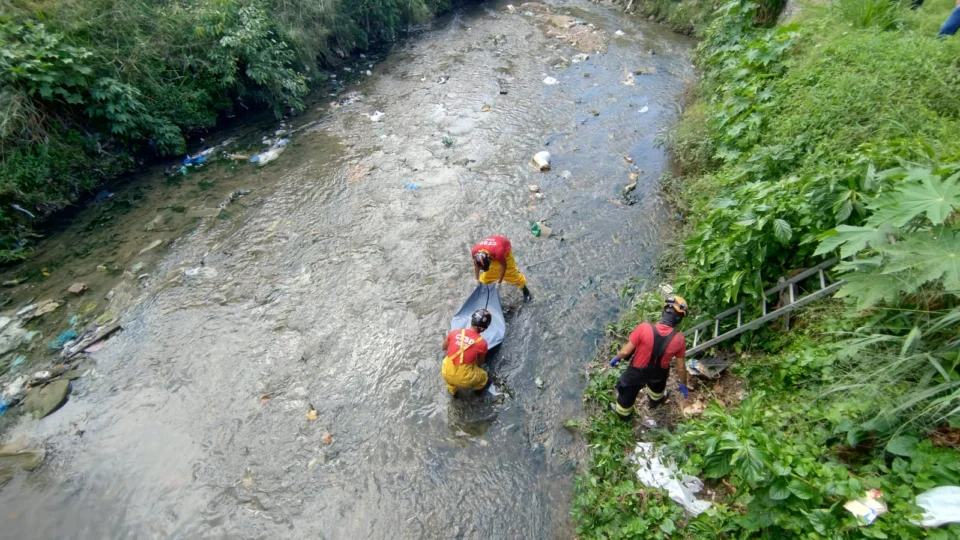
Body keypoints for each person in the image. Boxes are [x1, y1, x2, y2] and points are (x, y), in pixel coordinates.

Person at [609, 296, 691, 419]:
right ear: (678, 319)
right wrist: (683, 384)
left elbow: (626, 352)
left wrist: (616, 358)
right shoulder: (679, 339)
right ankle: (655, 402)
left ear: (664, 312)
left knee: (627, 392)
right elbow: (680, 367)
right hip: (659, 374)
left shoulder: (644, 328)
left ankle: (622, 414)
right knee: (657, 390)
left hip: (636, 372)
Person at [441, 309, 492, 396]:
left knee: (451, 382)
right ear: (482, 328)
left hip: (446, 370)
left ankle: (453, 393)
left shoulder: (455, 332)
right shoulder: (482, 343)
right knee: (484, 376)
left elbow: (444, 347)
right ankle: (478, 393)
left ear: (472, 321)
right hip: (463, 377)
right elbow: (480, 362)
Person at [472, 235, 532, 302]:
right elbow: (476, 265)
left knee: (511, 274)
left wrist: (499, 282)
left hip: (503, 251)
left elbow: (504, 266)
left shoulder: (499, 252)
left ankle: (525, 289)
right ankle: (484, 294)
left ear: (489, 259)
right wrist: (476, 279)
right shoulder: (475, 251)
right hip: (492, 251)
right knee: (486, 277)